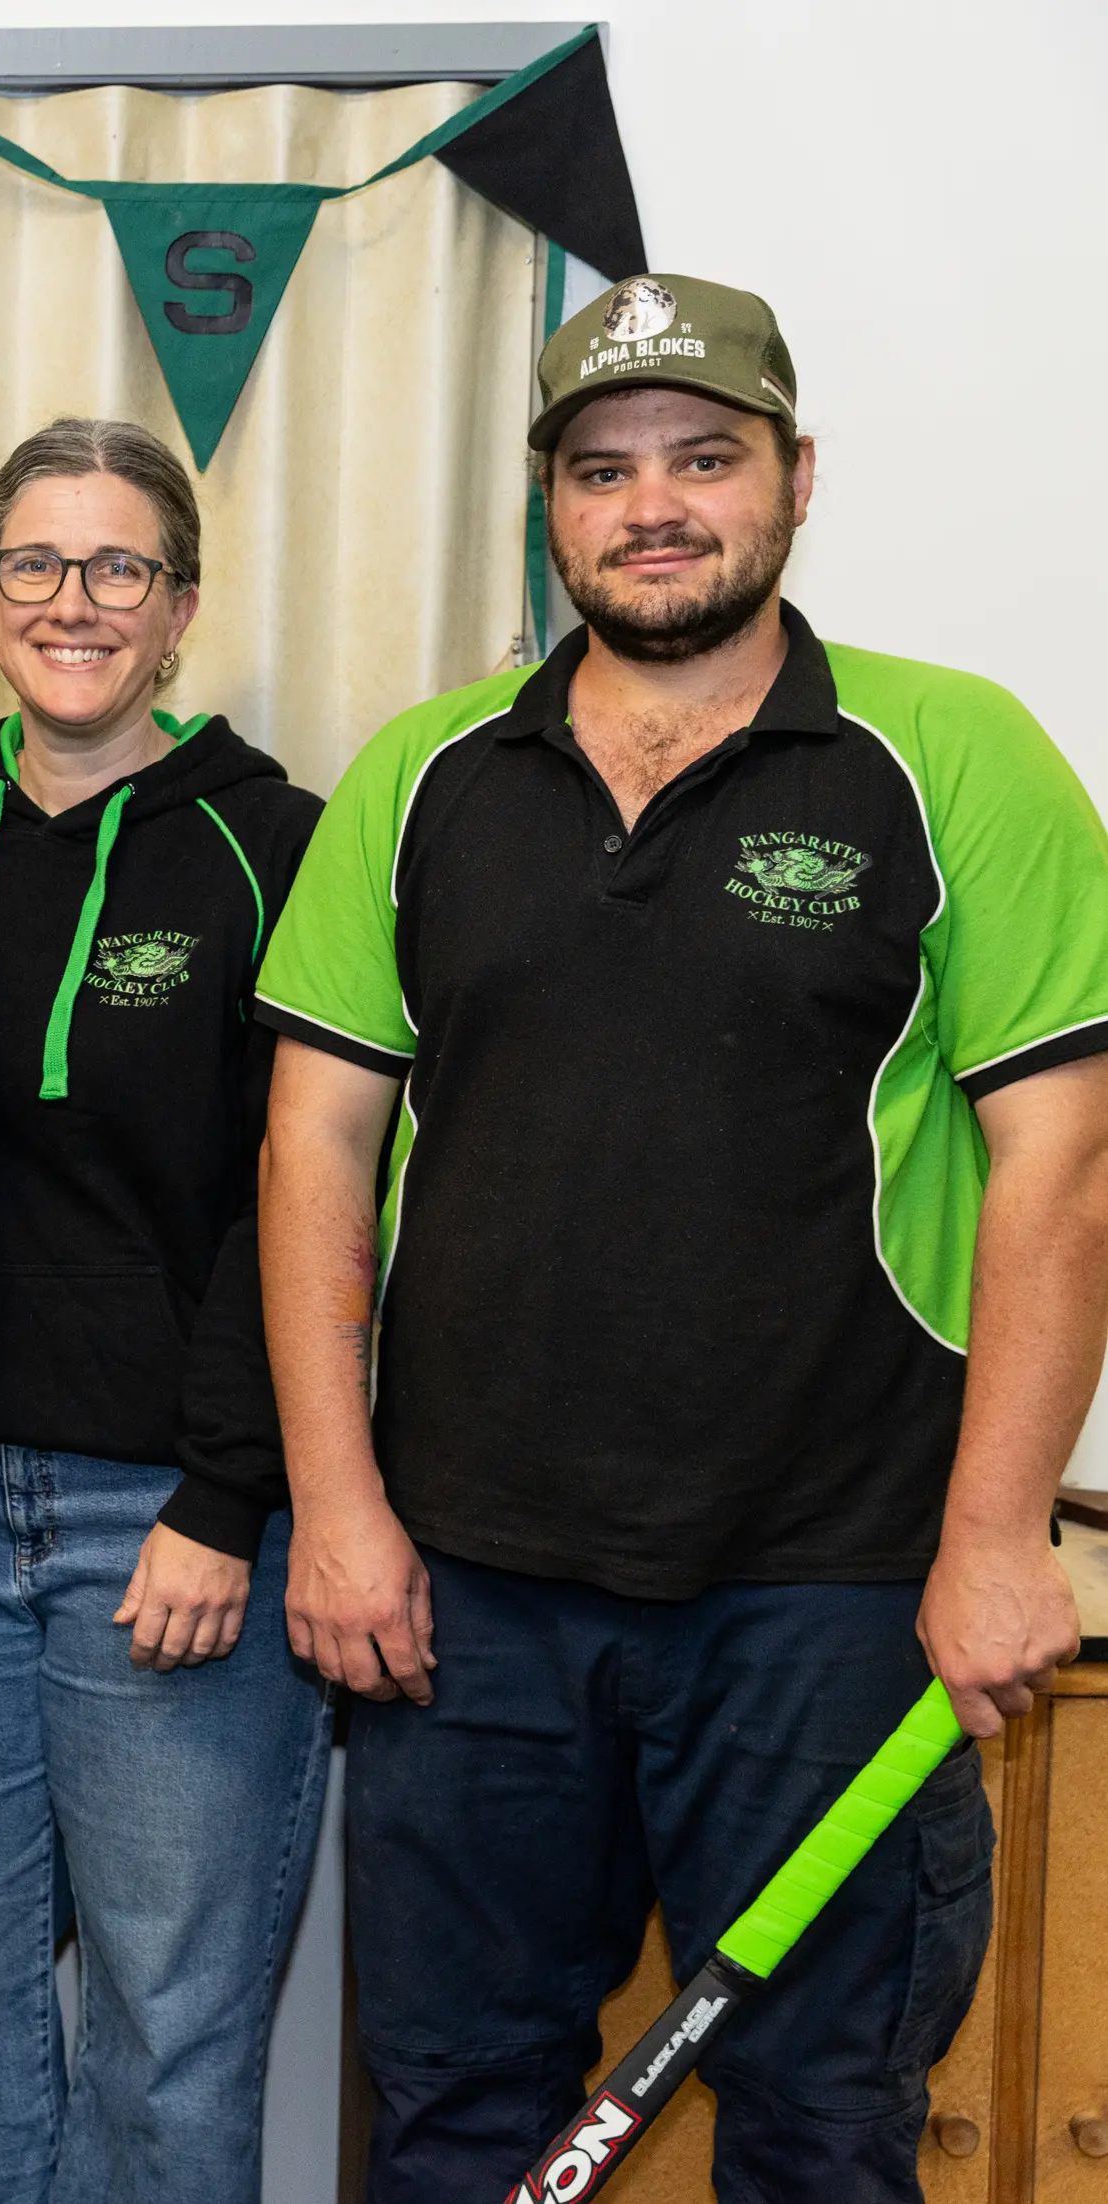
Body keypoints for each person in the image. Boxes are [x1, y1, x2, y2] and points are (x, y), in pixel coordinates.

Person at [257, 273, 1108, 2201]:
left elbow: (1063, 1172)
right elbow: (315, 1148)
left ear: (794, 482)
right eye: (602, 468)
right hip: (465, 1595)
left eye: (702, 460)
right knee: (459, 2116)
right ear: (546, 507)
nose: (653, 506)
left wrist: (990, 1539)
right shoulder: (418, 779)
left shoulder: (955, 759)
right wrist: (338, 1507)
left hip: (826, 1596)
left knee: (819, 2129)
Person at [0, 418, 329, 2204]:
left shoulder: (276, 850)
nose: (76, 603)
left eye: (118, 567)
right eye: (38, 567)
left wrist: (227, 1495)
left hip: (179, 1525)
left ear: (179, 606)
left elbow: (301, 1203)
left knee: (172, 2021)